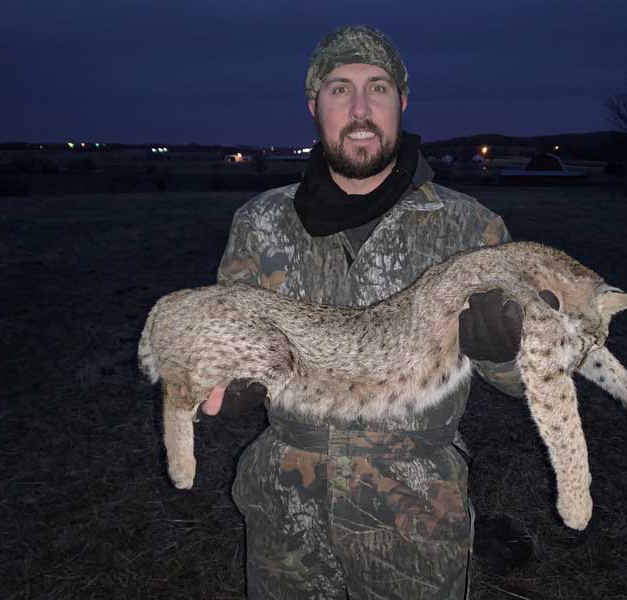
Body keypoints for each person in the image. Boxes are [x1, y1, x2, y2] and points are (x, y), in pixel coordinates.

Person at [205, 25, 530, 599]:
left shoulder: (471, 229)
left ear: (402, 102)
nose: (359, 109)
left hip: (416, 524)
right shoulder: (259, 223)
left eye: (377, 88)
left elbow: (527, 378)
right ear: (314, 106)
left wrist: (506, 348)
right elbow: (231, 355)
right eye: (339, 89)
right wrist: (226, 384)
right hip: (286, 517)